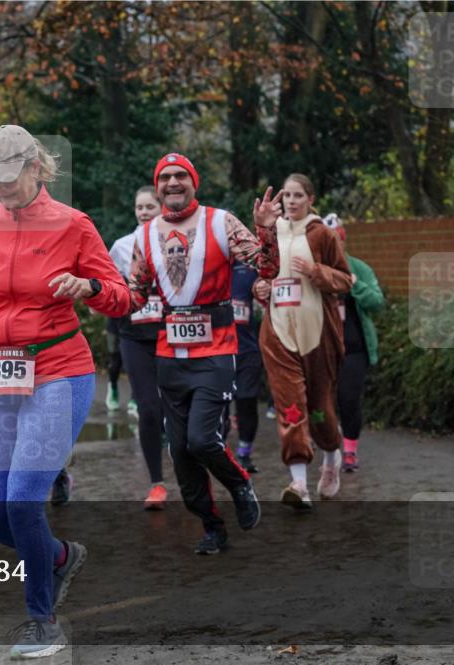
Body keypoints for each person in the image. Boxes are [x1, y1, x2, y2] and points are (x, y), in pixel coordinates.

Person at [0, 125, 130, 659]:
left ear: (36, 169)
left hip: (60, 372)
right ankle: (61, 556)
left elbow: (121, 297)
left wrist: (87, 288)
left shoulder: (73, 225)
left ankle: (43, 619)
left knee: (23, 499)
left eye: (7, 179)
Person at [128, 153, 263, 555]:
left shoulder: (222, 222)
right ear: (157, 186)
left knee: (202, 440)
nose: (172, 182)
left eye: (180, 176)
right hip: (170, 356)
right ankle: (212, 526)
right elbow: (135, 292)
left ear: (193, 182)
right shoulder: (147, 234)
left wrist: (268, 232)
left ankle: (239, 483)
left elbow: (266, 265)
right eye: (165, 177)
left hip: (217, 351)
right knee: (181, 451)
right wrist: (96, 293)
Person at [252, 175, 352, 510]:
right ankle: (298, 482)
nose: (292, 201)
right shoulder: (271, 231)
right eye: (287, 196)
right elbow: (263, 273)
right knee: (290, 406)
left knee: (320, 410)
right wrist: (259, 289)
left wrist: (315, 271)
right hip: (279, 332)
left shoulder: (321, 233)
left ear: (310, 199)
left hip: (318, 333)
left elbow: (345, 279)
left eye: (298, 196)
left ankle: (331, 455)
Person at [110, 185, 167, 508]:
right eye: (139, 207)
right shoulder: (121, 247)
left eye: (150, 206)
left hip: (169, 333)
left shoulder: (173, 241)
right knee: (148, 407)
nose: (144, 212)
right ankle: (156, 483)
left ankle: (192, 468)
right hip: (133, 335)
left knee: (175, 405)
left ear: (161, 208)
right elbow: (109, 286)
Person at [322, 213, 385, 472]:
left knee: (348, 399)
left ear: (344, 242)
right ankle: (327, 445)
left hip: (354, 349)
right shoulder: (316, 270)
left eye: (338, 240)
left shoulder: (359, 268)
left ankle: (349, 450)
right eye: (329, 242)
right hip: (321, 348)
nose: (334, 246)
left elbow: (377, 303)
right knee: (321, 403)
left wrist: (354, 285)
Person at [228, 260, 262, 473]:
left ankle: (244, 453)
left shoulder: (248, 271)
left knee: (247, 401)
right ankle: (216, 453)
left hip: (246, 349)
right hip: (214, 351)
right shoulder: (203, 265)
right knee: (216, 406)